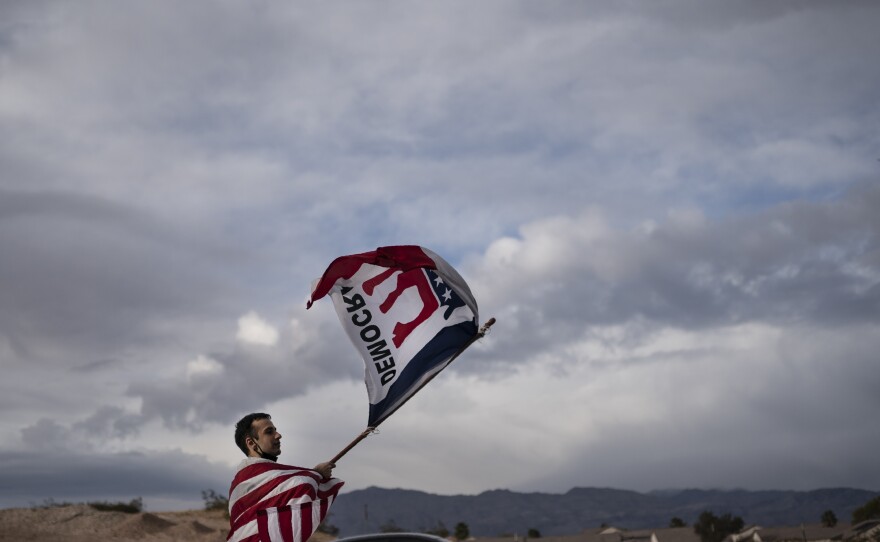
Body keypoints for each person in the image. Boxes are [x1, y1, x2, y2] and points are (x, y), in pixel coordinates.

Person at [228, 413, 343, 542]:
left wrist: (315, 473)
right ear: (251, 443)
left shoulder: (267, 477)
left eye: (275, 430)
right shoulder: (245, 480)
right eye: (269, 432)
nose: (278, 435)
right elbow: (301, 485)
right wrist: (317, 474)